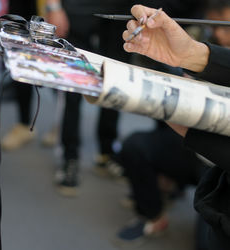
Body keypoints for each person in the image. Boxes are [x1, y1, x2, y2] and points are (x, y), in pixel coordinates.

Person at [122, 4, 230, 249]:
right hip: (194, 148)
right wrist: (189, 56)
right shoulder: (203, 39)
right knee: (134, 147)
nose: (219, 34)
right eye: (213, 26)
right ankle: (154, 214)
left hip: (213, 157)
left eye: (222, 24)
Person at [45, 0, 132, 196]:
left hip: (122, 10)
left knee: (115, 81)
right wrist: (53, 6)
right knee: (73, 85)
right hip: (79, 8)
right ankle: (70, 157)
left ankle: (106, 152)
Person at [114, 122, 207, 246]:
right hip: (195, 144)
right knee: (134, 146)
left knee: (206, 243)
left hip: (222, 163)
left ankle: (173, 186)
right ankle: (154, 215)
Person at [1, 0, 37, 151]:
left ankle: (61, 124)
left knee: (58, 63)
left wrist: (53, 6)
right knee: (20, 57)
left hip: (51, 7)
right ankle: (23, 125)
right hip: (21, 8)